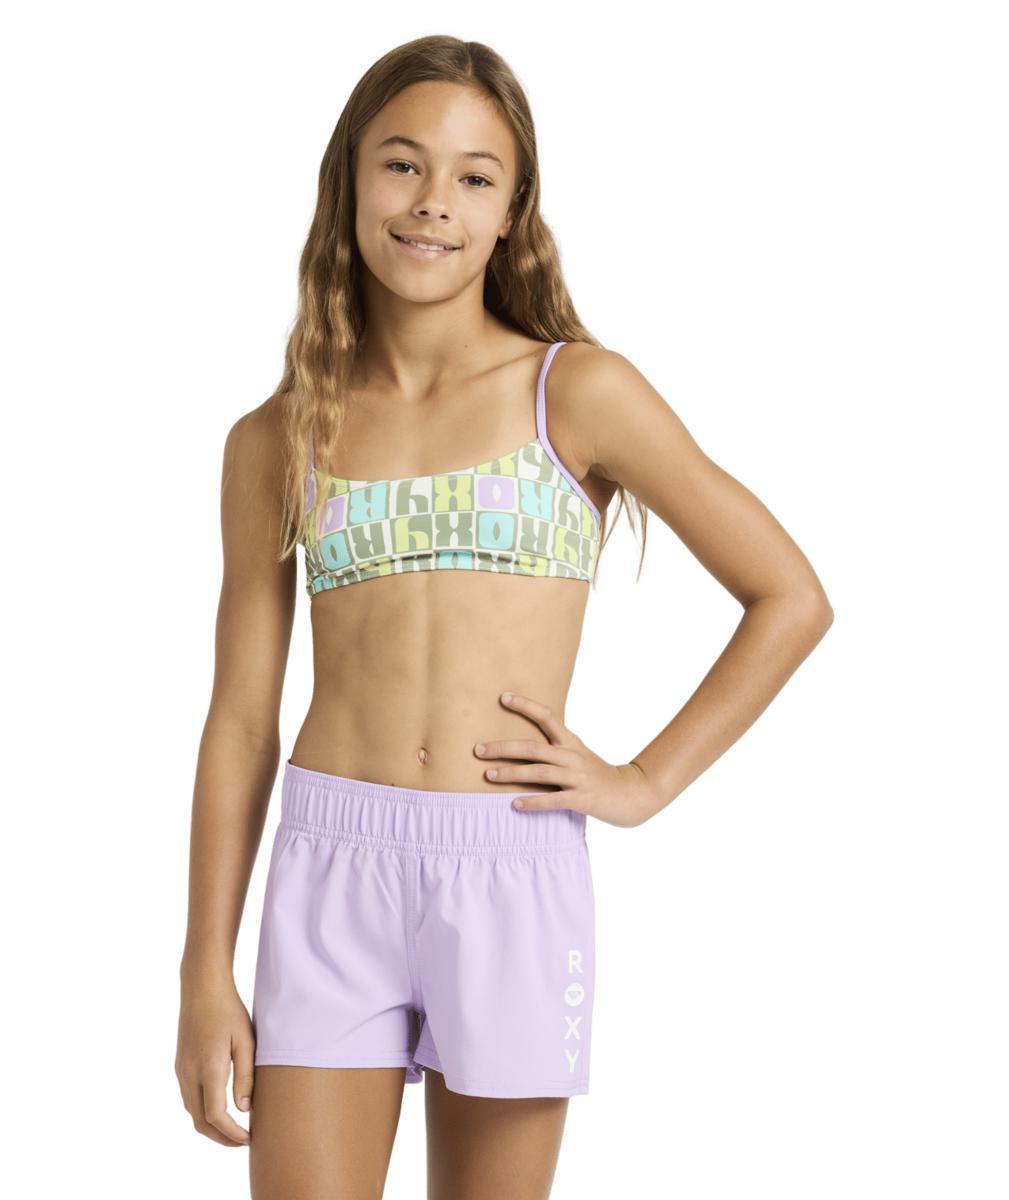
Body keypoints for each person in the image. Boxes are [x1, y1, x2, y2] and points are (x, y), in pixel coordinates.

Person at [175, 35, 833, 1200]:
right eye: (402, 164)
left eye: (474, 176)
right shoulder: (278, 437)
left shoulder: (576, 393)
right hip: (329, 870)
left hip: (510, 864)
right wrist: (202, 969)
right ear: (348, 181)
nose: (434, 201)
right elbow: (238, 721)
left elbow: (789, 596)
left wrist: (643, 780)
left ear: (512, 210)